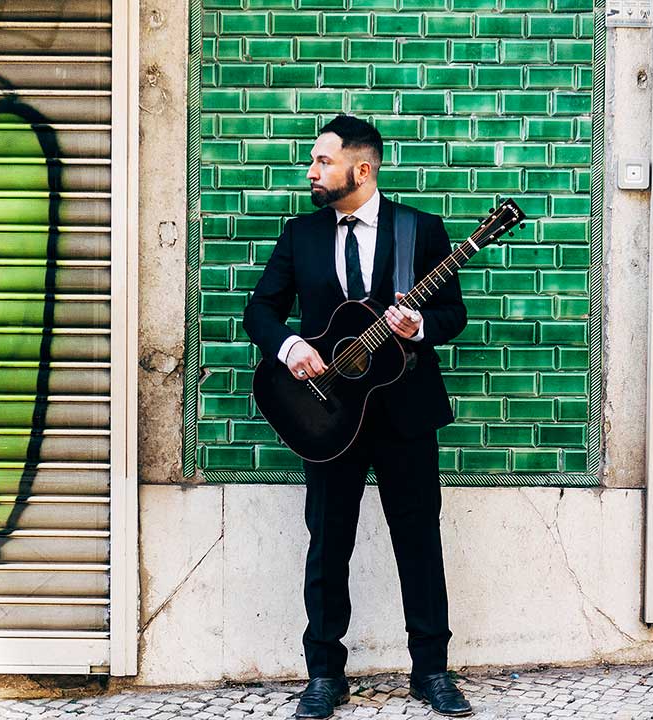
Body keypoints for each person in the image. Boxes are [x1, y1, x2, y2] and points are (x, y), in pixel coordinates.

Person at [242, 114, 472, 719]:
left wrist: (418, 326)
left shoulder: (419, 230)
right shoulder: (301, 234)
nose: (311, 172)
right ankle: (324, 675)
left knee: (419, 542)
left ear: (361, 169)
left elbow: (452, 315)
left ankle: (431, 670)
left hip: (405, 412)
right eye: (313, 161)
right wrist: (290, 347)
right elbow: (260, 311)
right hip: (327, 416)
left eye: (323, 161)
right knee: (328, 545)